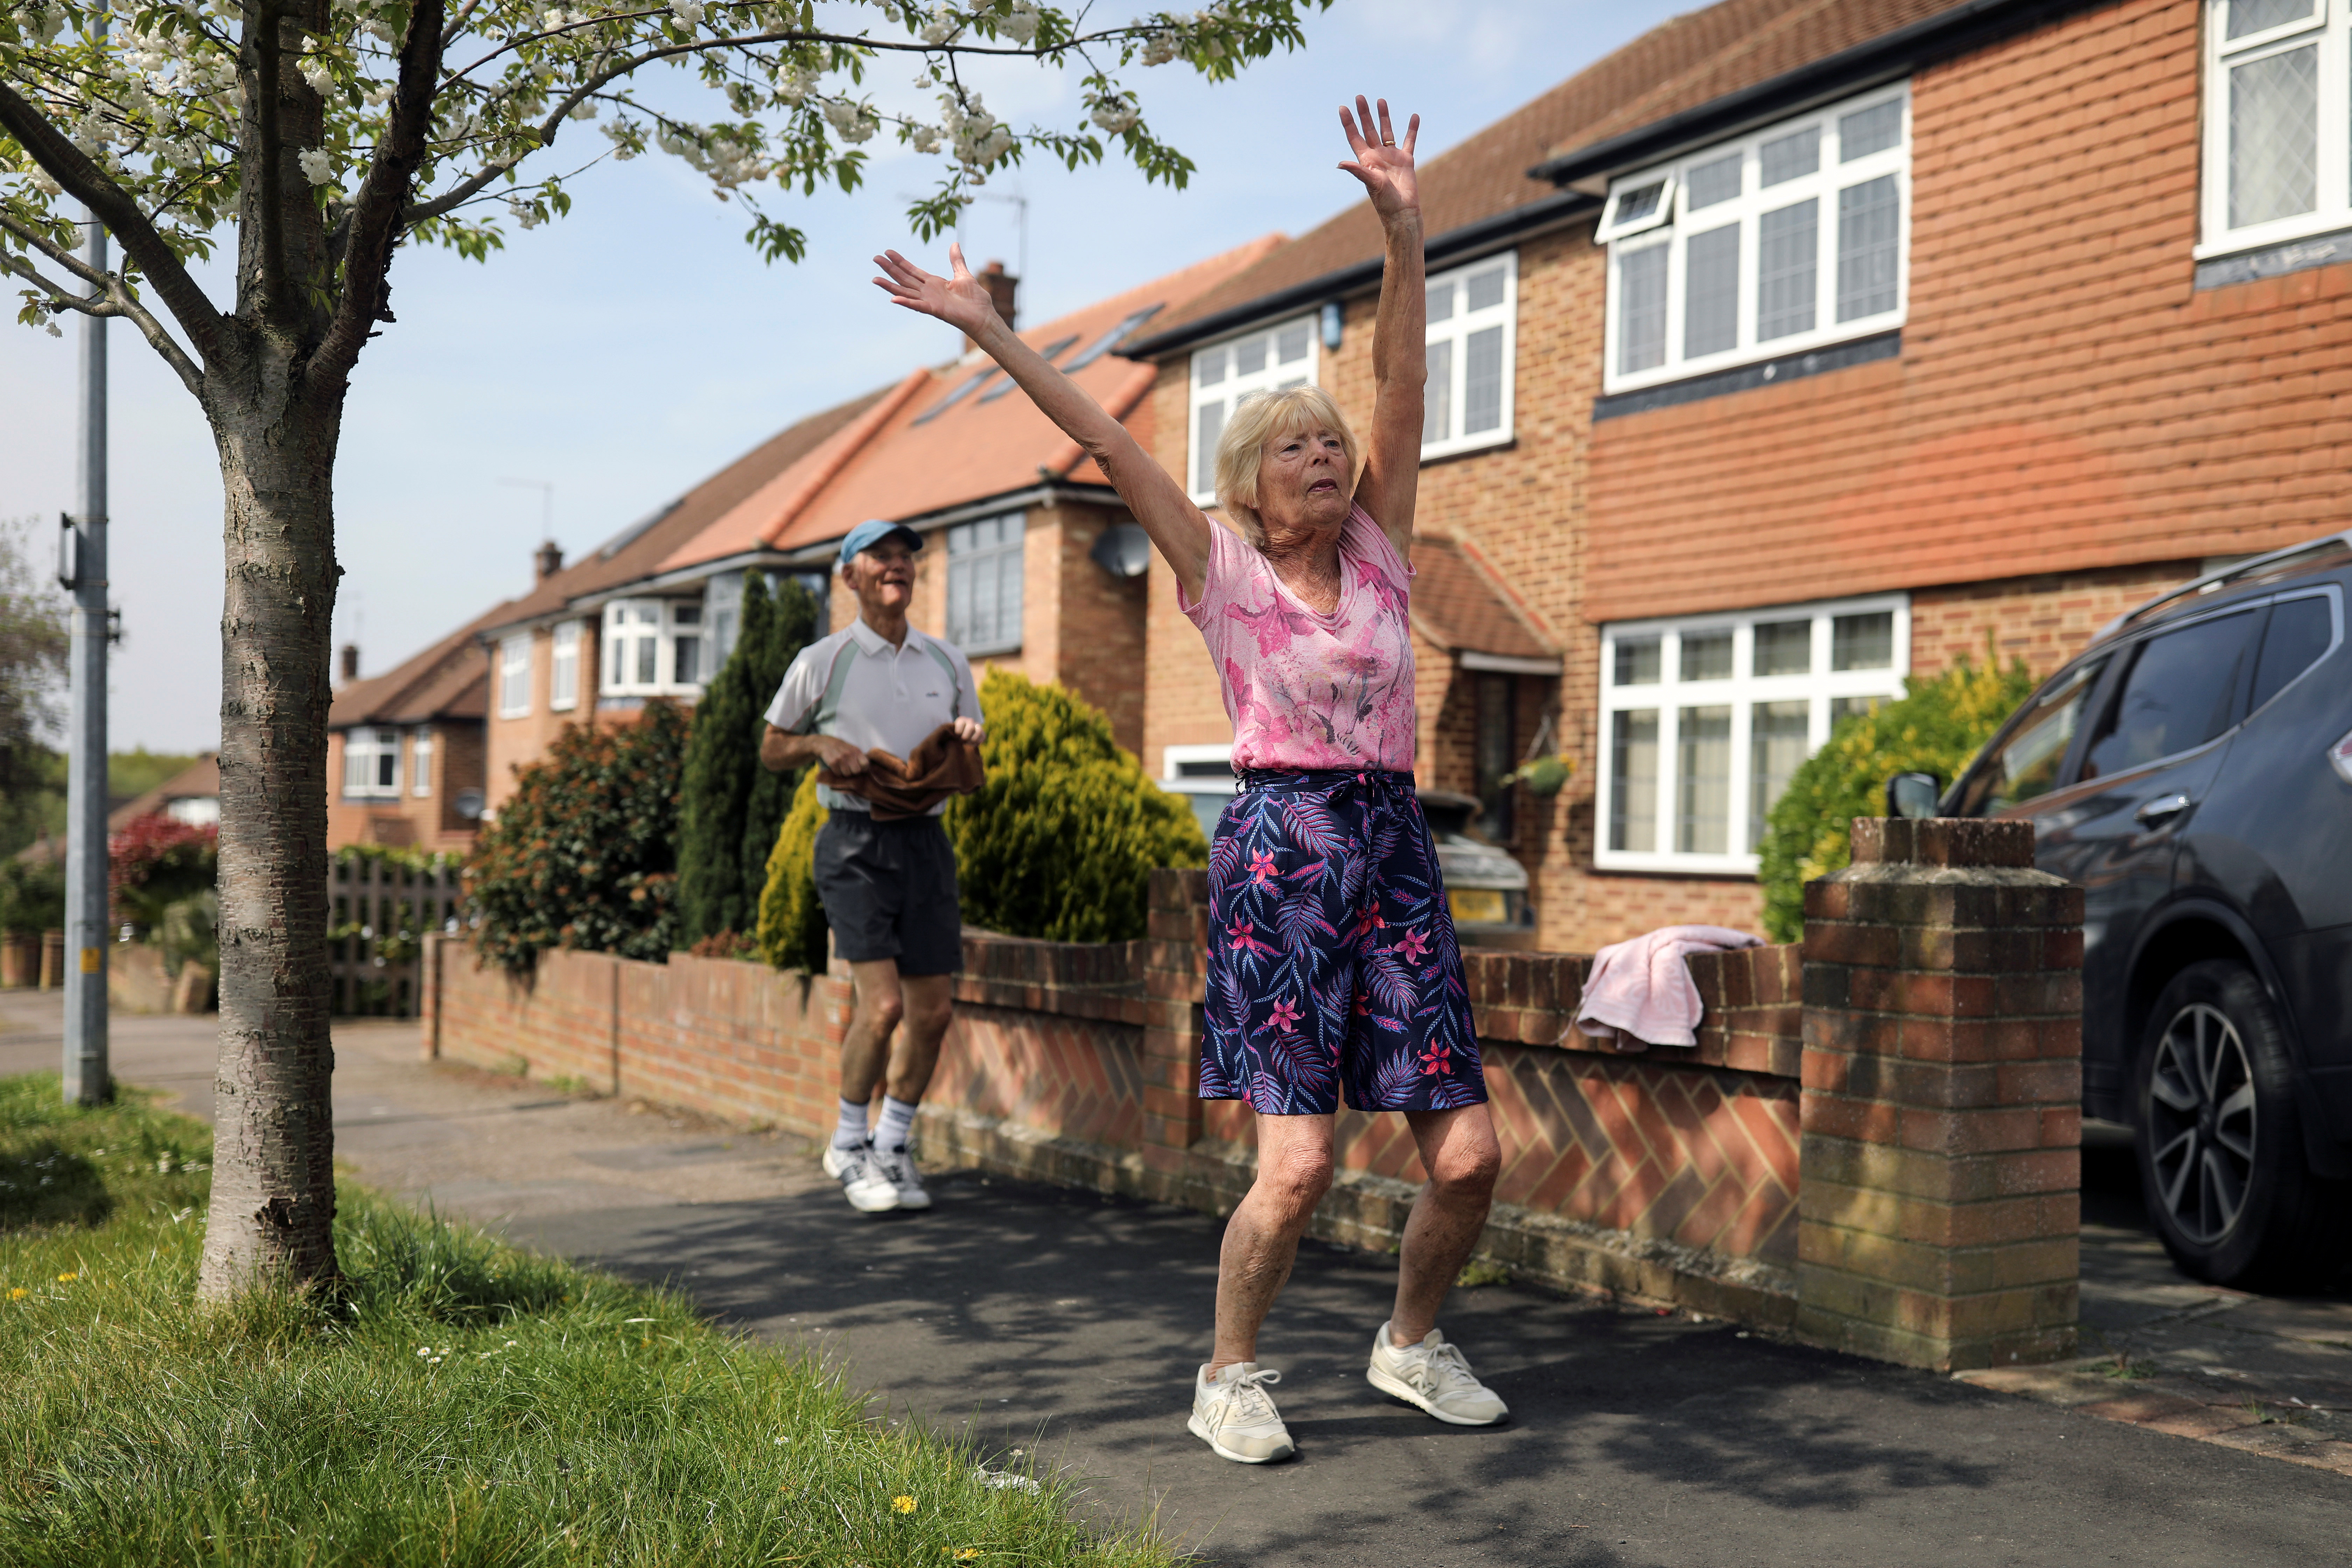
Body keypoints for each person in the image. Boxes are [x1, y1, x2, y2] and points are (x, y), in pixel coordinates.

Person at [873, 97, 1507, 1462]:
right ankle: (1230, 1374)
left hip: (1393, 846)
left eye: (1332, 443)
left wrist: (1404, 227)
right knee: (1302, 1162)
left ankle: (1410, 1342)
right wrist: (987, 332)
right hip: (1283, 850)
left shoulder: (1385, 552)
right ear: (1248, 484)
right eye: (1295, 445)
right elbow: (1105, 448)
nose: (1326, 455)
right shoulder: (1221, 572)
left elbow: (1402, 379)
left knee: (1468, 1154)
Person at [760, 520, 985, 1214]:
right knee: (882, 1003)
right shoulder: (822, 660)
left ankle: (892, 1143)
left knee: (934, 1011)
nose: (897, 564)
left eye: (906, 556)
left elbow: (967, 742)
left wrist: (968, 736)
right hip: (854, 841)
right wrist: (820, 742)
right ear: (849, 575)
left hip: (926, 842)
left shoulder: (948, 662)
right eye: (879, 555)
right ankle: (848, 1143)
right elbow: (773, 747)